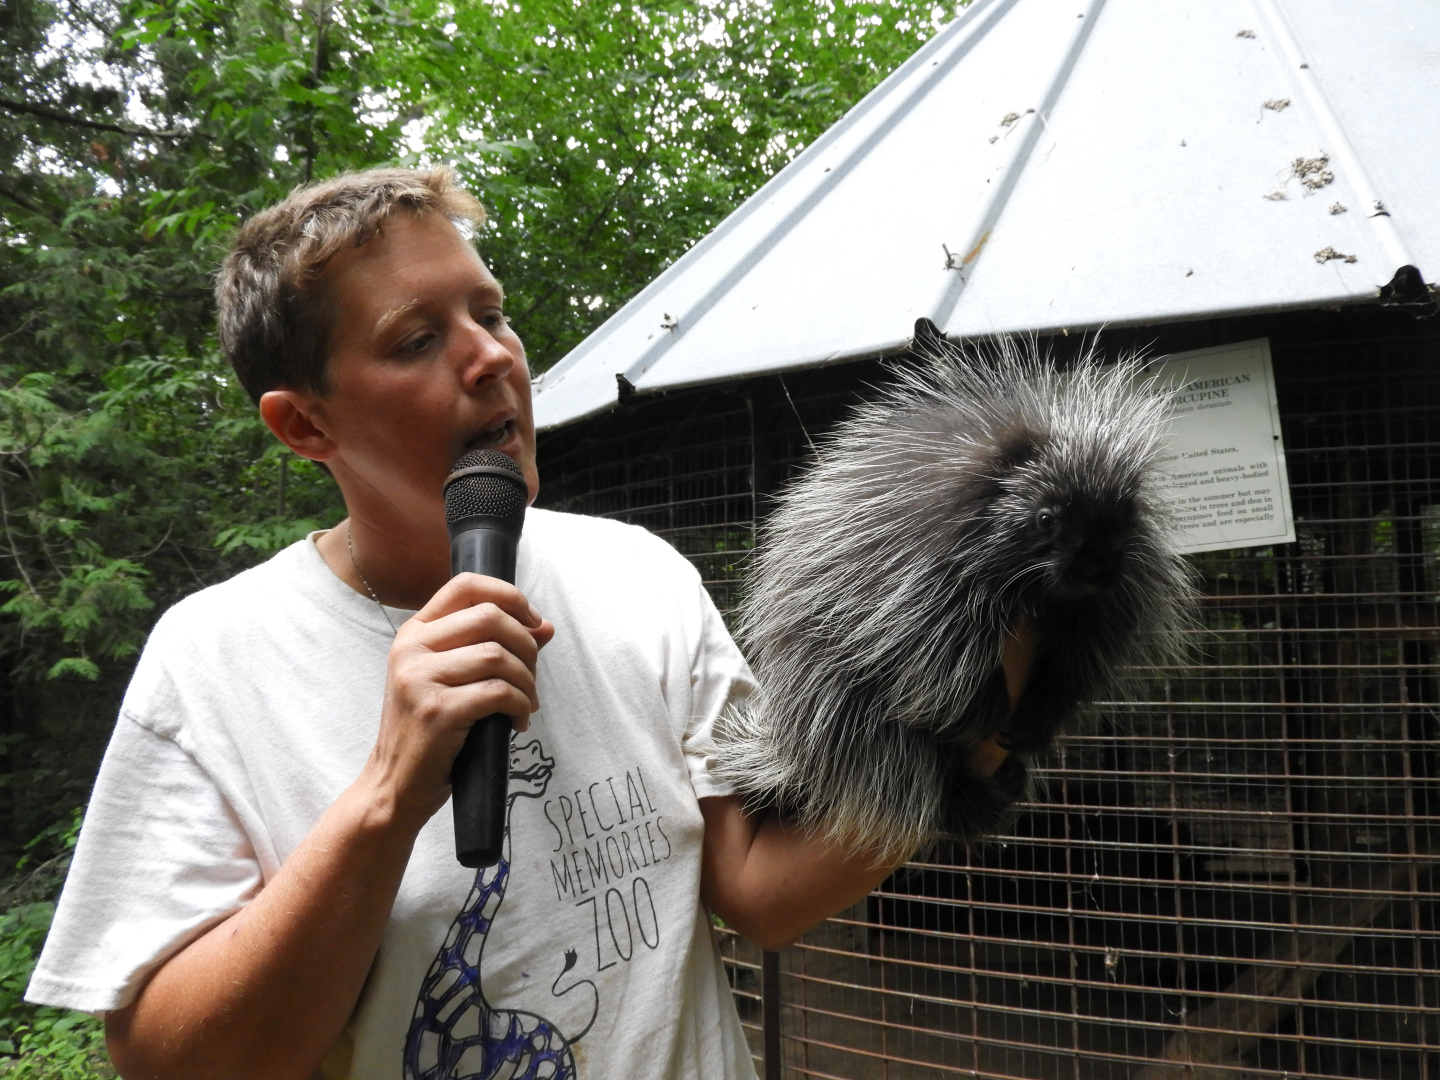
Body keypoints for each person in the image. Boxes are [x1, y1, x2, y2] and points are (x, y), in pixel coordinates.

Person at [26, 167, 1032, 1080]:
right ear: (306, 424)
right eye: (418, 340)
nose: (490, 358)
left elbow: (761, 888)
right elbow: (170, 1060)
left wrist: (990, 707)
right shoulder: (215, 662)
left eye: (491, 314)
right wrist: (386, 797)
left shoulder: (640, 577)